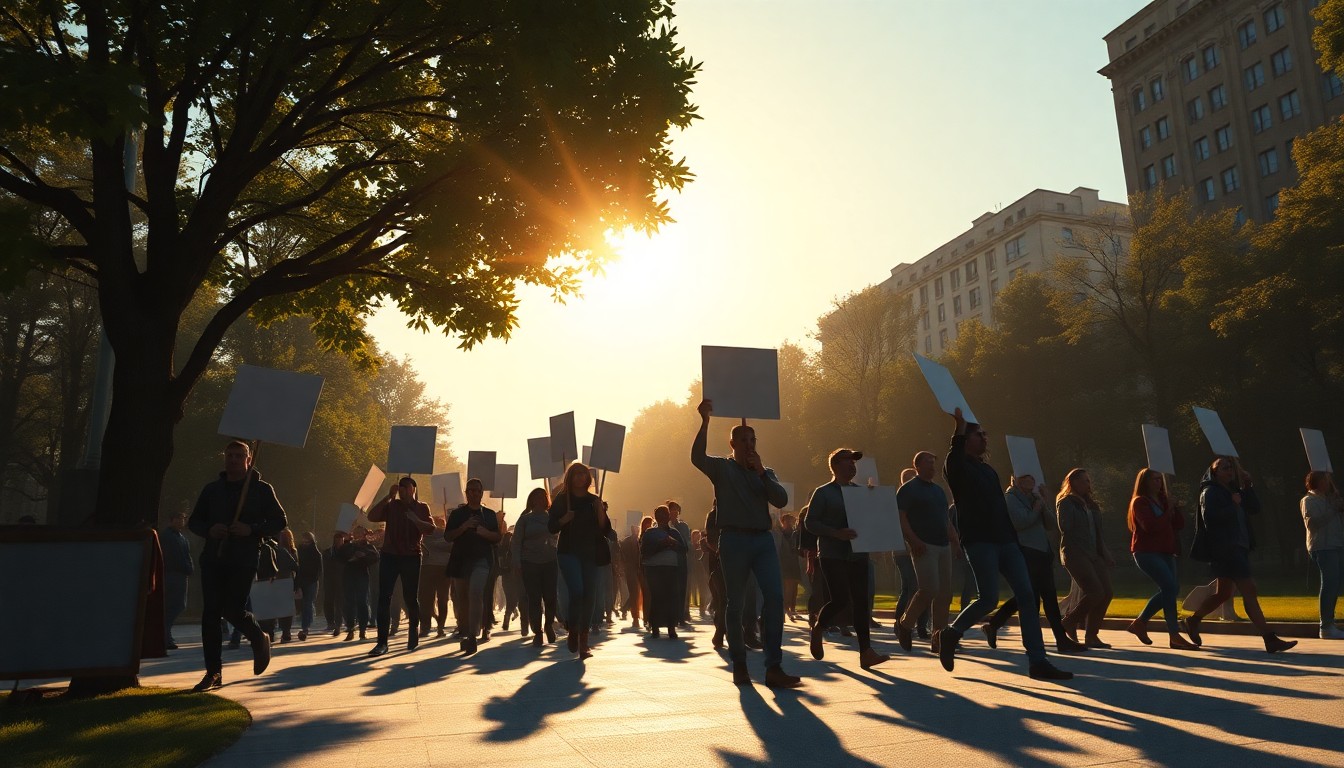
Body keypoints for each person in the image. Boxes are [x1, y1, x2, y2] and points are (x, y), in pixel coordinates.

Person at [938, 409, 1070, 680]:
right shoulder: (957, 467)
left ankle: (1037, 660)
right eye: (979, 434)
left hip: (1006, 541)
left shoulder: (988, 470)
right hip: (979, 541)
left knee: (1027, 596)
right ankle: (951, 633)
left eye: (985, 433)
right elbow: (954, 458)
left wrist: (1014, 539)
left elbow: (1000, 508)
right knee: (988, 599)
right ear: (966, 439)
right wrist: (959, 429)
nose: (985, 437)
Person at [691, 399, 801, 688]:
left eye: (753, 439)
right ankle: (739, 663)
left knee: (774, 599)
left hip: (762, 540)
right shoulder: (721, 469)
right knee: (735, 603)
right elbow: (696, 457)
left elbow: (780, 500)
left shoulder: (766, 472)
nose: (750, 443)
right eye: (743, 439)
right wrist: (705, 421)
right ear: (732, 443)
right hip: (734, 540)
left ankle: (773, 666)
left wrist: (762, 473)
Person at [187, 440, 286, 692]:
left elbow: (279, 521)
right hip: (213, 558)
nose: (232, 459)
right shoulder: (212, 490)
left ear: (248, 459)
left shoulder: (261, 490)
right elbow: (195, 522)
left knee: (233, 609)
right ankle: (213, 672)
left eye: (238, 455)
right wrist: (210, 530)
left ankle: (258, 637)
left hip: (244, 558)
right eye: (229, 455)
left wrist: (251, 529)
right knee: (210, 614)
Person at [1186, 457, 1295, 653]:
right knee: (1249, 590)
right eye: (1225, 467)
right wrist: (1232, 505)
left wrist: (1248, 485)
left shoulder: (1234, 490)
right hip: (1226, 549)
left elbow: (1254, 508)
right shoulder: (1209, 492)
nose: (1230, 471)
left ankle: (1193, 620)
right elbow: (1210, 519)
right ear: (1214, 471)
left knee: (1224, 593)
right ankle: (1269, 638)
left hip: (1239, 547)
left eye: (1232, 468)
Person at [983, 474, 1088, 654]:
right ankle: (1048, 640)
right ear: (1015, 480)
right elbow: (1020, 523)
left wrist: (1042, 501)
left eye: (1032, 479)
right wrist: (1036, 508)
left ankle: (995, 624)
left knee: (1045, 597)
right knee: (1031, 596)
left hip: (1042, 552)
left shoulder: (1034, 497)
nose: (1030, 483)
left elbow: (1050, 524)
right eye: (1025, 479)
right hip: (1025, 551)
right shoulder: (1010, 499)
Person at [805, 448, 890, 670]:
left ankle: (866, 652)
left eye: (854, 462)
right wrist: (836, 532)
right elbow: (810, 522)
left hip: (858, 554)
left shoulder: (861, 492)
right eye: (847, 461)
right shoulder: (823, 492)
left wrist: (874, 500)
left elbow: (871, 522)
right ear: (835, 466)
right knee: (841, 599)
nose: (852, 465)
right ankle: (819, 626)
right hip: (833, 554)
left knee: (861, 603)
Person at [895, 451, 960, 656]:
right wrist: (913, 540)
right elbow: (901, 518)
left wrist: (955, 541)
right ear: (918, 466)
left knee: (944, 594)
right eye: (929, 463)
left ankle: (938, 639)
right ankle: (905, 624)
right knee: (929, 589)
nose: (933, 466)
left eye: (934, 462)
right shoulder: (908, 490)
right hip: (923, 546)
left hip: (943, 546)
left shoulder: (939, 491)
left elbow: (946, 520)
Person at [1125, 469, 1199, 649]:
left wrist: (1175, 508)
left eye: (1160, 479)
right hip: (1146, 552)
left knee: (1172, 589)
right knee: (1169, 587)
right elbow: (1150, 526)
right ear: (1145, 482)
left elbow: (1178, 525)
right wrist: (1168, 511)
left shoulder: (1164, 500)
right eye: (1155, 479)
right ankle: (1174, 634)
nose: (1159, 482)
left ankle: (1141, 622)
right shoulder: (1140, 502)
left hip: (1167, 551)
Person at [548, 462, 612, 659]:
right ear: (570, 477)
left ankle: (584, 639)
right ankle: (573, 629)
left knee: (590, 595)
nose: (580, 478)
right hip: (568, 552)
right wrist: (564, 520)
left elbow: (605, 529)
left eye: (583, 474)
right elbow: (551, 527)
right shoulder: (562, 499)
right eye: (576, 474)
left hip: (591, 553)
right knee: (577, 591)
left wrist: (600, 511)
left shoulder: (594, 500)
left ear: (588, 478)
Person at [366, 477, 435, 656]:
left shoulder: (422, 507)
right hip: (390, 555)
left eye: (406, 486)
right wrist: (387, 497)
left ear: (413, 489)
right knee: (384, 597)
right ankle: (382, 642)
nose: (402, 489)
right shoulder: (392, 506)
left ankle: (414, 629)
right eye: (400, 487)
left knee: (410, 597)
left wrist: (415, 520)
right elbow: (372, 516)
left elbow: (430, 529)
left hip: (411, 556)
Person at [1055, 469, 1114, 649]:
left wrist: (1105, 553)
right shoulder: (1065, 502)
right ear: (1072, 483)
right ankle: (1068, 622)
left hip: (1095, 554)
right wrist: (1076, 506)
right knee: (1095, 591)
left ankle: (1091, 635)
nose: (1088, 485)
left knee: (1107, 592)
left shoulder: (1091, 505)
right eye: (1083, 481)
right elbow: (1065, 527)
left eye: (1088, 481)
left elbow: (1097, 532)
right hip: (1075, 554)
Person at [446, 477, 501, 655]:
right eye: (470, 490)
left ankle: (472, 635)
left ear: (481, 492)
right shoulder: (457, 514)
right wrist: (464, 527)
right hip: (460, 562)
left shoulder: (489, 514)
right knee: (462, 600)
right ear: (466, 493)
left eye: (477, 490)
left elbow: (497, 537)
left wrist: (485, 533)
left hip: (482, 561)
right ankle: (466, 629)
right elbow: (448, 536)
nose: (474, 493)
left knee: (476, 592)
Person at [513, 487, 559, 646]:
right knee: (534, 598)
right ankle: (537, 631)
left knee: (550, 597)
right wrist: (517, 563)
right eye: (536, 497)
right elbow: (516, 542)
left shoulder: (552, 518)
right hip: (529, 563)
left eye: (542, 497)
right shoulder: (525, 519)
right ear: (532, 500)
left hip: (550, 562)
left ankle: (548, 625)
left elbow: (559, 535)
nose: (539, 500)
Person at [1301, 471, 1344, 639]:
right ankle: (1325, 625)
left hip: (1337, 543)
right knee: (1329, 582)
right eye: (1325, 479)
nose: (1328, 482)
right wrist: (1333, 509)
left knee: (1335, 583)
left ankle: (1330, 623)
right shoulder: (1308, 500)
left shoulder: (1330, 499)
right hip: (1322, 547)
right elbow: (1312, 524)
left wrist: (1339, 508)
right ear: (1317, 482)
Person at [642, 505, 688, 638]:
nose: (663, 517)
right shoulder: (650, 533)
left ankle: (671, 628)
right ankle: (655, 627)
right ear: (657, 517)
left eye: (665, 514)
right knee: (657, 597)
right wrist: (661, 545)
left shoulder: (674, 532)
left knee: (671, 597)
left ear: (668, 517)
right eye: (661, 515)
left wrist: (672, 543)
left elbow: (684, 549)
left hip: (671, 568)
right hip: (654, 569)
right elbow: (645, 551)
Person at [160, 508, 194, 650]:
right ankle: (165, 636)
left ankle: (166, 635)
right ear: (171, 520)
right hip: (172, 574)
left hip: (181, 575)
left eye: (183, 518)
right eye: (178, 518)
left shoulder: (181, 536)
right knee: (173, 606)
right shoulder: (167, 536)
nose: (181, 521)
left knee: (177, 605)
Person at [338, 525, 379, 641]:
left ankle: (362, 629)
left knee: (362, 602)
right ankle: (350, 628)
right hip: (349, 576)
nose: (358, 535)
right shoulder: (348, 545)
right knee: (349, 603)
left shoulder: (369, 547)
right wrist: (346, 541)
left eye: (360, 533)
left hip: (362, 575)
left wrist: (363, 556)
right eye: (356, 533)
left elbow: (375, 556)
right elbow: (339, 555)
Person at [419, 516, 452, 638]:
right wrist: (440, 543)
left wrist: (434, 544)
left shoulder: (443, 533)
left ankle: (435, 626)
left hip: (439, 567)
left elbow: (451, 545)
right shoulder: (424, 534)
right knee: (431, 599)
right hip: (430, 567)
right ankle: (432, 626)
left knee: (436, 599)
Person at [667, 500, 694, 627]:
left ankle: (681, 615)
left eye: (677, 511)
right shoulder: (664, 525)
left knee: (682, 589)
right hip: (668, 561)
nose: (675, 513)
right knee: (670, 589)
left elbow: (686, 542)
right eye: (672, 510)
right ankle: (670, 615)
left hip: (681, 560)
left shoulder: (683, 526)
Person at [295, 531, 322, 641]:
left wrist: (311, 579)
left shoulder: (316, 553)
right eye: (304, 541)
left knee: (307, 603)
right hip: (302, 581)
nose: (305, 543)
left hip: (311, 581)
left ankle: (305, 626)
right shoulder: (300, 550)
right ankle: (307, 622)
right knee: (305, 603)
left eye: (307, 541)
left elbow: (318, 571)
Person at [778, 514, 802, 621]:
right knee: (788, 585)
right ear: (783, 522)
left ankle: (792, 606)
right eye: (787, 521)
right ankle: (787, 607)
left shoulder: (795, 533)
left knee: (795, 585)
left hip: (794, 561)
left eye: (791, 521)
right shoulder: (781, 534)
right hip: (785, 562)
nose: (790, 523)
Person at [323, 531, 347, 635]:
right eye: (337, 540)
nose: (339, 542)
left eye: (341, 540)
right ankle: (330, 622)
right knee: (328, 601)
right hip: (329, 580)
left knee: (339, 603)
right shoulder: (328, 552)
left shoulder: (346, 551)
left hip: (342, 580)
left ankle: (338, 623)